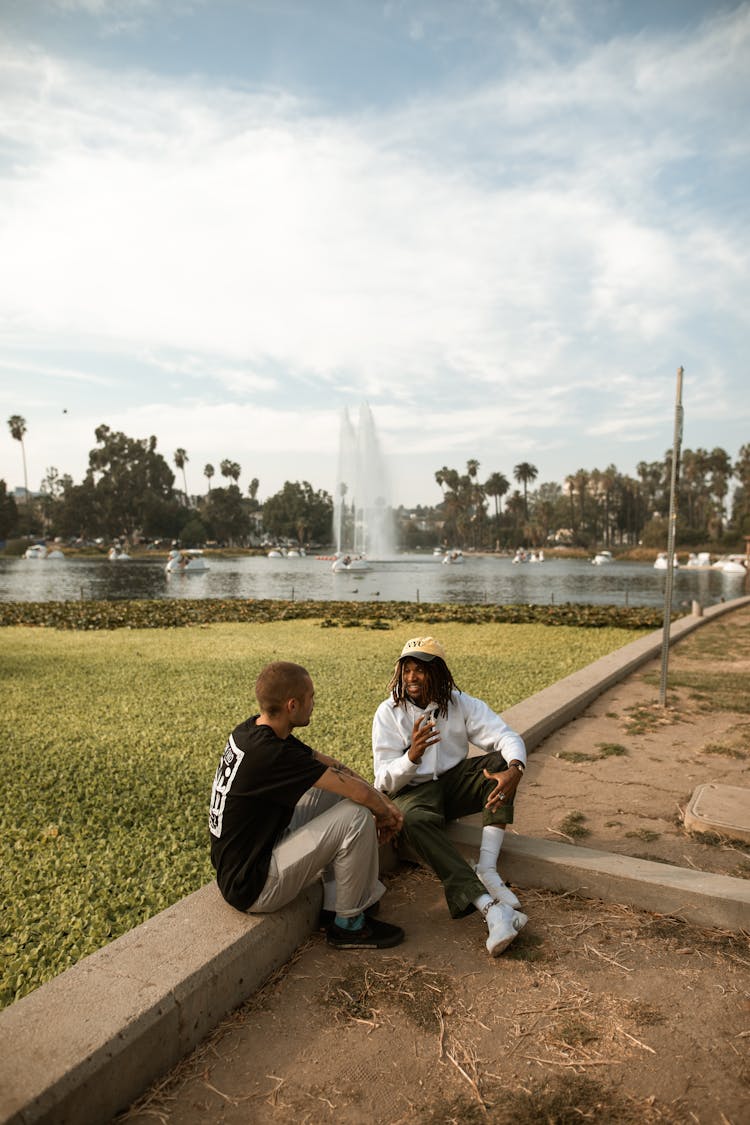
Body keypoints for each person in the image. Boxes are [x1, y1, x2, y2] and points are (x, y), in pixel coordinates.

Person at [210, 660, 405, 949]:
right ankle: (348, 926)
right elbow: (360, 796)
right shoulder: (272, 754)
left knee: (340, 794)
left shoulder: (253, 731)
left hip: (250, 858)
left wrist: (383, 800)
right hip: (253, 885)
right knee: (356, 815)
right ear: (292, 705)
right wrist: (385, 814)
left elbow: (333, 768)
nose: (313, 703)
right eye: (310, 697)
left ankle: (338, 900)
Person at [372, 636, 528, 957]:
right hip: (412, 792)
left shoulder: (460, 703)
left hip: (453, 784)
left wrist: (515, 768)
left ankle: (487, 869)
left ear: (439, 673)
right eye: (407, 669)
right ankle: (489, 908)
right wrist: (411, 757)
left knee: (501, 763)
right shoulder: (388, 713)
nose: (412, 677)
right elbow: (384, 780)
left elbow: (506, 736)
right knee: (413, 819)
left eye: (421, 670)